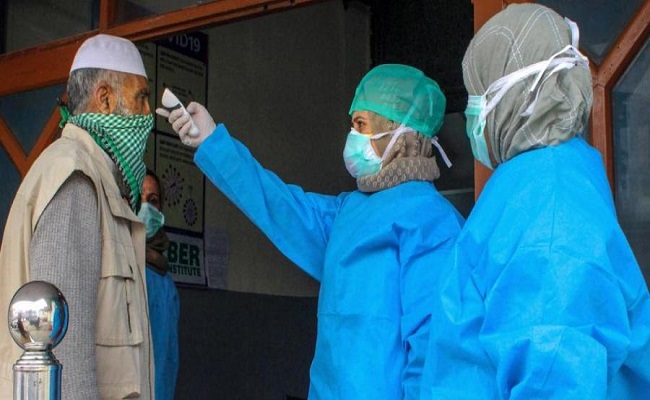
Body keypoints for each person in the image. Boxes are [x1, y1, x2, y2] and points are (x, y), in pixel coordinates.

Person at [157, 64, 464, 398]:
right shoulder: (349, 211)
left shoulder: (433, 224)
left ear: (398, 133)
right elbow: (280, 206)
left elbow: (435, 352)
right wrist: (213, 142)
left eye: (361, 124)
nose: (352, 136)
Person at [420, 4, 650, 399]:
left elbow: (554, 372)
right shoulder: (545, 181)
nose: (472, 113)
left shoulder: (549, 208)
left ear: (512, 95)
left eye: (477, 95)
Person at [0, 34, 155, 399]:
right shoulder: (74, 177)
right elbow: (62, 350)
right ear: (105, 99)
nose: (148, 114)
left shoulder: (99, 181)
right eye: (141, 97)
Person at [138, 169, 180, 400]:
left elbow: (167, 357)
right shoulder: (115, 264)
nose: (145, 208)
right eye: (139, 199)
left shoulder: (165, 281)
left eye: (153, 201)